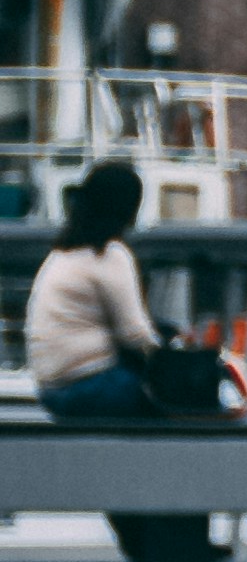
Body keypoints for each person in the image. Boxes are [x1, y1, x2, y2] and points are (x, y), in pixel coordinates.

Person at [25, 160, 159, 420]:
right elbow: (134, 334)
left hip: (51, 390)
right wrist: (167, 354)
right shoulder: (110, 254)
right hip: (93, 385)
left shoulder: (61, 254)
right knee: (171, 402)